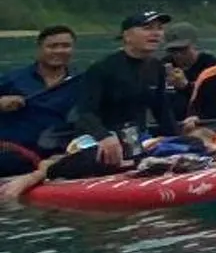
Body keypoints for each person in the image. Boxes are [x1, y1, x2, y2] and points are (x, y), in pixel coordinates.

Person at [61, 11, 181, 166]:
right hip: (102, 138)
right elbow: (85, 112)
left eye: (159, 28)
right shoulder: (103, 68)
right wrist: (103, 136)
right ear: (127, 36)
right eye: (147, 28)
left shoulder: (156, 68)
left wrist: (176, 140)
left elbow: (162, 111)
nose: (155, 33)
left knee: (193, 144)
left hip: (137, 139)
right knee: (96, 157)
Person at [0, 25, 81, 177]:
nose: (59, 51)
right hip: (11, 154)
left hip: (56, 157)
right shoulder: (13, 79)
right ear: (39, 49)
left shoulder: (82, 82)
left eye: (66, 46)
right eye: (52, 46)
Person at [162, 25, 216, 123]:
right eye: (173, 51)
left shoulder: (211, 65)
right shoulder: (163, 65)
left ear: (194, 45)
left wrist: (186, 86)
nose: (178, 55)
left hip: (203, 122)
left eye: (183, 49)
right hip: (172, 123)